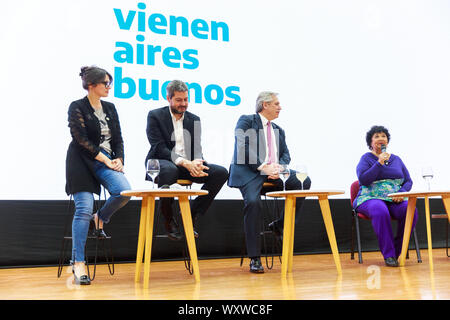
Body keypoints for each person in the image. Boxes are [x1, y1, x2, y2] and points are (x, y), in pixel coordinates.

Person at [228, 91, 311, 273]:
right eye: (276, 104)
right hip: (250, 171)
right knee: (253, 202)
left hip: (273, 172)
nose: (280, 107)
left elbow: (285, 155)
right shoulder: (246, 121)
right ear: (265, 105)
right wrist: (263, 167)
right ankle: (255, 258)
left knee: (302, 182)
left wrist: (279, 168)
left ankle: (279, 225)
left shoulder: (278, 130)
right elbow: (242, 148)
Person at [65, 66, 131, 285]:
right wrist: (105, 159)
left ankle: (101, 218)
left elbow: (118, 139)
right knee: (83, 207)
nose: (109, 87)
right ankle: (78, 263)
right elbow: (80, 139)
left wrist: (119, 159)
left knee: (123, 192)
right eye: (105, 83)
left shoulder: (110, 108)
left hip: (107, 161)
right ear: (91, 85)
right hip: (82, 161)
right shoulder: (77, 106)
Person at [145, 80, 228, 241]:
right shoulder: (155, 115)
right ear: (168, 98)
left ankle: (191, 214)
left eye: (185, 99)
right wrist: (185, 162)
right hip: (160, 162)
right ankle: (168, 219)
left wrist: (197, 162)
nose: (183, 104)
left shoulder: (194, 119)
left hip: (187, 164)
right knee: (171, 170)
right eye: (178, 100)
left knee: (220, 173)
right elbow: (159, 147)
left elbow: (197, 146)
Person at [353, 125, 418, 267]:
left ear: (387, 141)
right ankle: (388, 255)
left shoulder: (397, 159)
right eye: (376, 136)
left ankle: (396, 252)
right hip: (370, 197)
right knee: (379, 209)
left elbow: (408, 181)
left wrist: (401, 193)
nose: (381, 138)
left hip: (394, 198)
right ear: (370, 143)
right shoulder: (366, 159)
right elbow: (363, 180)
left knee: (410, 210)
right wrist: (379, 162)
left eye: (383, 136)